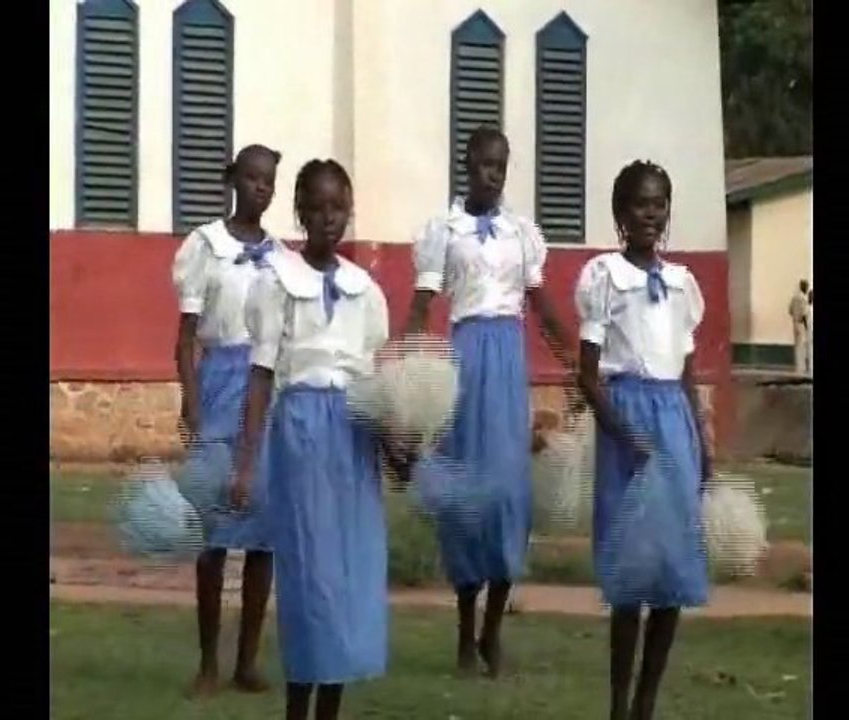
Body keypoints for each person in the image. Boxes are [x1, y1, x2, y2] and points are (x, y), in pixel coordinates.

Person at [404, 125, 575, 678]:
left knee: (508, 495)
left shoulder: (522, 234)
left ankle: (493, 631)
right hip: (464, 360)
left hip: (507, 362)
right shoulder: (444, 232)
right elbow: (422, 303)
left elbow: (541, 304)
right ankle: (462, 630)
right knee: (465, 498)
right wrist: (406, 365)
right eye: (483, 165)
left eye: (501, 166)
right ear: (467, 165)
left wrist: (577, 360)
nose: (492, 175)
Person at [234, 159, 390, 720]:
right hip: (302, 436)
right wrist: (247, 463)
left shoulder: (364, 291)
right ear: (300, 213)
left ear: (349, 211)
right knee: (311, 579)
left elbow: (374, 382)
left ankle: (331, 707)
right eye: (317, 208)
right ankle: (298, 707)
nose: (329, 218)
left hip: (353, 439)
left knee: (349, 579)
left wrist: (396, 444)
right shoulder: (278, 282)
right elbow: (261, 375)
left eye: (338, 207)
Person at [574, 160, 712, 720]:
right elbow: (586, 374)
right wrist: (623, 434)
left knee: (673, 571)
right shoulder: (604, 277)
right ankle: (617, 703)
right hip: (627, 420)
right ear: (619, 215)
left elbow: (686, 369)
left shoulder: (681, 284)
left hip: (673, 423)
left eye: (659, 204)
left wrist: (702, 437)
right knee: (632, 574)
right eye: (639, 205)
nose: (651, 214)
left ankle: (646, 705)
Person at [172, 144, 284, 696]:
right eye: (253, 178)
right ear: (233, 180)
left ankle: (246, 662)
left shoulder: (282, 256)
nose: (262, 188)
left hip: (265, 389)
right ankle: (208, 663)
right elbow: (186, 338)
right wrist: (191, 401)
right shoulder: (205, 247)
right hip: (218, 385)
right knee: (213, 533)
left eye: (270, 181)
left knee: (263, 534)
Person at [788, 279, 809, 374]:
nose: (807, 288)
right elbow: (804, 314)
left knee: (797, 345)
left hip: (795, 323)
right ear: (803, 287)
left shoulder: (794, 297)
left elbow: (790, 310)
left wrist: (795, 317)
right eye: (806, 286)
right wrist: (807, 326)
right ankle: (802, 368)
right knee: (802, 345)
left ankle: (797, 367)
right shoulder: (803, 298)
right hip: (801, 323)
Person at [806, 288, 814, 373]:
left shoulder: (807, 308)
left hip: (809, 329)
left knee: (810, 348)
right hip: (810, 329)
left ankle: (810, 367)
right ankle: (811, 367)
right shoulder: (808, 308)